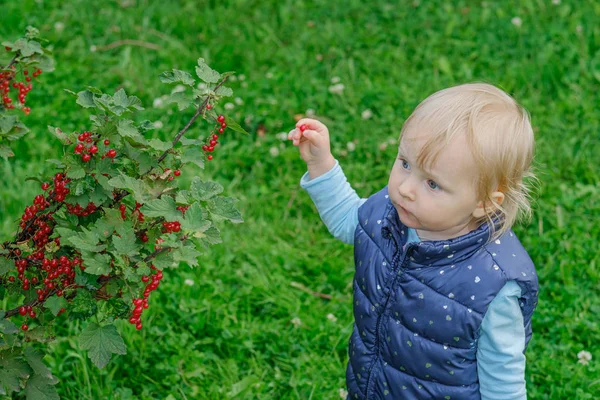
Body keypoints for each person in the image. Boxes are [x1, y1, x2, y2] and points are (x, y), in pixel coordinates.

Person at [288, 83, 539, 400]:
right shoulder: (394, 213)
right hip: (373, 385)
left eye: (432, 183)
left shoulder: (491, 286)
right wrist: (321, 165)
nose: (406, 188)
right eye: (405, 163)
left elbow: (502, 383)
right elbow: (349, 220)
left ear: (485, 203)